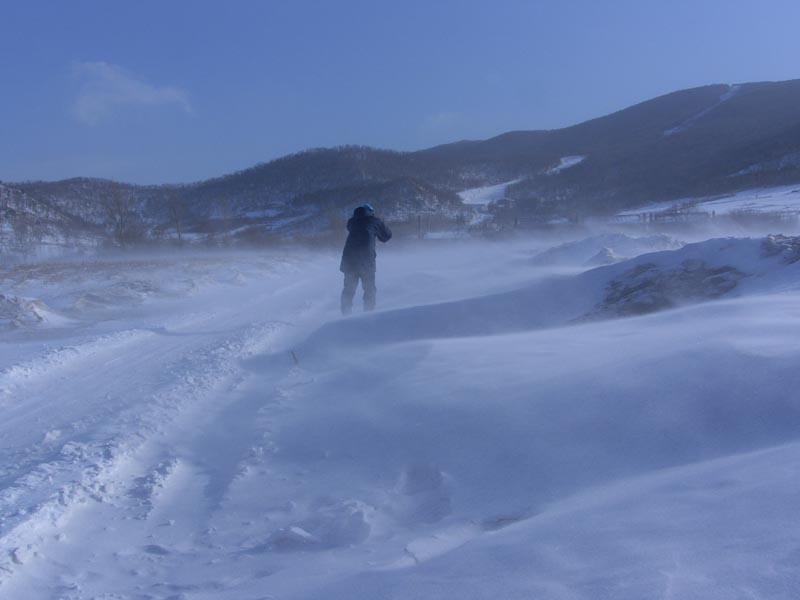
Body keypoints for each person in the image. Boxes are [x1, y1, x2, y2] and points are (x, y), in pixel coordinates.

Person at [339, 203, 392, 315]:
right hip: (366, 262)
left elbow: (350, 228)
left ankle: (345, 315)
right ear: (371, 212)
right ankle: (368, 315)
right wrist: (381, 223)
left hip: (349, 261)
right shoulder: (374, 221)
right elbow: (386, 236)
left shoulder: (352, 222)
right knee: (369, 290)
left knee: (349, 290)